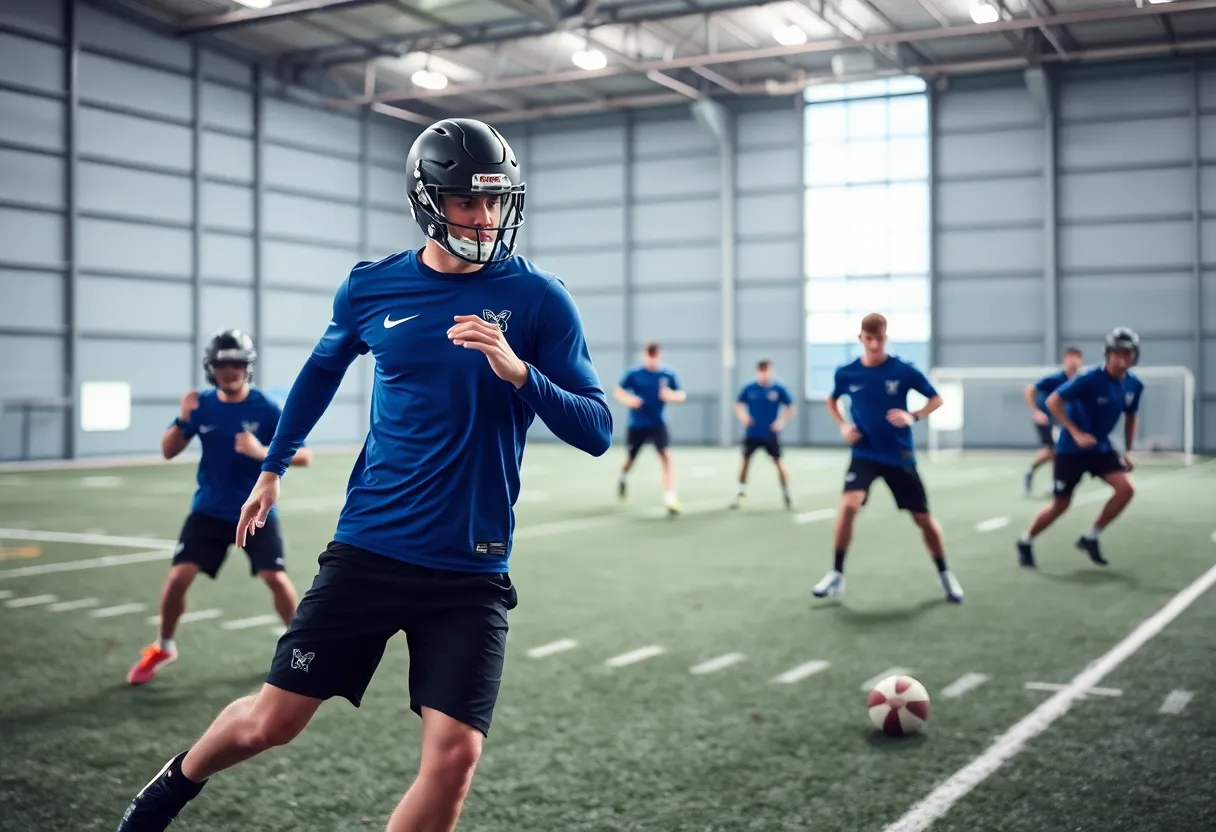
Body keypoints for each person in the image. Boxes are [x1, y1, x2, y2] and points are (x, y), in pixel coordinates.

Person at [116, 118, 613, 832]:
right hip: (372, 548)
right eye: (467, 202)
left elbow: (595, 431)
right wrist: (274, 467)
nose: (484, 219)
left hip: (471, 568)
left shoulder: (540, 300)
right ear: (428, 202)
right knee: (270, 723)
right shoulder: (372, 289)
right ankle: (171, 786)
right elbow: (321, 371)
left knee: (454, 759)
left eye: (495, 202)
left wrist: (521, 372)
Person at [126, 330, 309, 686]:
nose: (230, 371)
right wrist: (182, 418)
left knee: (276, 578)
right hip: (208, 509)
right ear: (212, 369)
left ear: (247, 367)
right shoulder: (202, 405)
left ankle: (300, 650)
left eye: (237, 364)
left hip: (255, 510)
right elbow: (168, 451)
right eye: (223, 364)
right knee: (178, 577)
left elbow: (304, 456)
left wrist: (261, 452)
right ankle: (164, 646)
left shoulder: (266, 408)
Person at [810, 313, 964, 604]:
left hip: (899, 455)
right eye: (869, 339)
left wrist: (913, 416)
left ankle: (945, 575)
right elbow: (832, 400)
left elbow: (936, 399)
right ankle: (837, 574)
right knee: (848, 506)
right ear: (861, 339)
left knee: (923, 519)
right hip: (864, 453)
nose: (875, 344)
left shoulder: (904, 370)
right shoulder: (847, 373)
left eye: (880, 339)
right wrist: (843, 425)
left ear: (885, 337)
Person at [1016, 327, 1142, 569]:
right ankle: (1025, 540)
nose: (1122, 357)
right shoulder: (1089, 378)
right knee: (1060, 506)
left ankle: (1091, 537)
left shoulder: (1134, 385)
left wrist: (1128, 450)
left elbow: (1131, 416)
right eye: (1117, 352)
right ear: (1108, 353)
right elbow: (1053, 401)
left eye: (1128, 352)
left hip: (1100, 448)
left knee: (1126, 489)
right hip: (1070, 450)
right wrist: (1075, 432)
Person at [614, 342, 686, 515]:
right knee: (630, 460)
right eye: (649, 356)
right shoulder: (634, 374)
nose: (652, 360)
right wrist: (629, 400)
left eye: (655, 356)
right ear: (644, 355)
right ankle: (623, 477)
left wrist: (670, 396)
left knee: (666, 456)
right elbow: (618, 391)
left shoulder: (667, 374)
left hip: (658, 423)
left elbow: (681, 395)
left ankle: (670, 497)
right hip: (637, 425)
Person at [731, 358, 795, 510]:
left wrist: (780, 422)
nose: (764, 375)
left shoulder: (778, 388)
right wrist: (744, 417)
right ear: (758, 372)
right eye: (762, 371)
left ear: (771, 372)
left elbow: (791, 407)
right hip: (752, 433)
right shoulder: (750, 388)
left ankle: (786, 494)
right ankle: (741, 493)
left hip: (770, 434)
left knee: (779, 463)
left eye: (767, 371)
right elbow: (738, 405)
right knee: (745, 462)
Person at [1022, 346, 1084, 496]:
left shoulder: (1081, 380)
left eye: (1076, 357)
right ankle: (1050, 480)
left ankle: (1037, 473)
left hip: (1064, 421)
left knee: (1056, 452)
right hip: (1048, 420)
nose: (1073, 361)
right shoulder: (1056, 378)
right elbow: (1030, 390)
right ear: (1065, 360)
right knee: (1054, 450)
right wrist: (1036, 411)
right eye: (1070, 357)